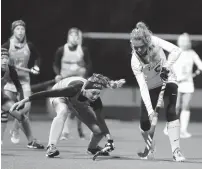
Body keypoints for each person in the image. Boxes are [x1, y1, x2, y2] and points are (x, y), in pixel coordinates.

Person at [10, 74, 125, 157]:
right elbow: (47, 93)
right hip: (61, 97)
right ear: (85, 90)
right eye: (93, 93)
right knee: (63, 111)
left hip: (78, 103)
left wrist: (110, 140)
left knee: (99, 131)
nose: (95, 97)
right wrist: (24, 101)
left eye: (98, 93)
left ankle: (92, 148)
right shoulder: (73, 89)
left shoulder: (95, 100)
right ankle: (51, 147)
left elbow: (101, 120)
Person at [130, 22, 185, 162]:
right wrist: (150, 111)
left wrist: (167, 66)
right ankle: (150, 147)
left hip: (168, 79)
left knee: (171, 110)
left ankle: (176, 151)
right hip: (150, 87)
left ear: (147, 41)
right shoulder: (135, 61)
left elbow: (176, 50)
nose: (139, 50)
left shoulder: (155, 41)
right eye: (136, 48)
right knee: (144, 123)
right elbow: (142, 86)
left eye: (141, 47)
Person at [2, 20, 41, 144]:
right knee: (5, 109)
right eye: (17, 29)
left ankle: (15, 129)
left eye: (22, 29)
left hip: (24, 82)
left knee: (25, 108)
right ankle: (1, 139)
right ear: (13, 31)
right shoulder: (7, 45)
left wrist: (36, 67)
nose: (20, 31)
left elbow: (38, 57)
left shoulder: (29, 45)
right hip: (9, 82)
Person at [53, 27, 92, 140]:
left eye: (76, 36)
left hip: (78, 82)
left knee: (79, 106)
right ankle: (65, 132)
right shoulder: (61, 50)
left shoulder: (83, 50)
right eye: (72, 36)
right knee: (66, 106)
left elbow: (89, 64)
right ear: (68, 37)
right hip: (65, 81)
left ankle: (80, 130)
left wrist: (86, 76)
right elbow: (55, 64)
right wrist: (57, 75)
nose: (74, 38)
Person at [1, 48, 44, 149]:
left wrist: (21, 100)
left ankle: (31, 141)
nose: (4, 60)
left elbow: (18, 86)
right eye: (1, 58)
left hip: (1, 98)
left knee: (22, 116)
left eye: (6, 58)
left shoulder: (10, 69)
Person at [163, 33, 202, 138]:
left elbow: (200, 65)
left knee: (186, 106)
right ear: (179, 42)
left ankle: (183, 130)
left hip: (188, 84)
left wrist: (195, 73)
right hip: (176, 83)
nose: (184, 43)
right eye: (182, 40)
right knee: (176, 106)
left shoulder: (192, 53)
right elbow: (167, 66)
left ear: (189, 42)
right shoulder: (175, 51)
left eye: (186, 41)